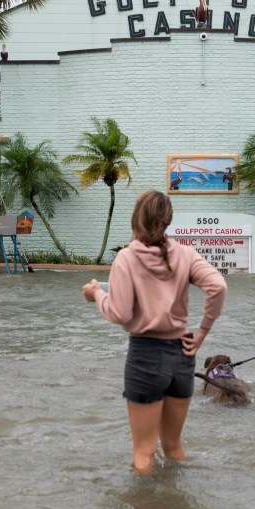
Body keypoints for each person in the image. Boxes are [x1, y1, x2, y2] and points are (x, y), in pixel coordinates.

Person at [82, 190, 228, 473]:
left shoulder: (126, 258)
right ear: (167, 220)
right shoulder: (185, 254)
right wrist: (202, 333)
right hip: (183, 356)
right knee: (173, 446)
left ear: (135, 219)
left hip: (146, 357)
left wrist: (97, 295)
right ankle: (177, 508)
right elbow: (218, 287)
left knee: (144, 453)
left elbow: (120, 313)